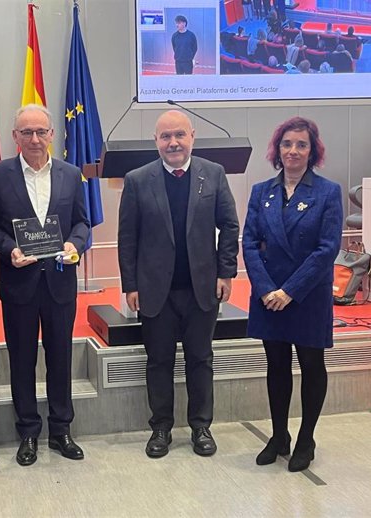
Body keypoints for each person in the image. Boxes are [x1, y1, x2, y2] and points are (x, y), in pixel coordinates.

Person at [118, 110, 239, 459]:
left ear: (192, 136)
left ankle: (201, 427)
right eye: (165, 136)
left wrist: (225, 273)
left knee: (201, 359)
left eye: (179, 135)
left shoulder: (212, 175)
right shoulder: (138, 179)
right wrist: (130, 284)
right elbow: (127, 237)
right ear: (156, 141)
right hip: (155, 291)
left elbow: (229, 226)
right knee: (158, 362)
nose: (173, 142)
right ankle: (160, 428)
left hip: (202, 289)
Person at [0, 104, 90, 466]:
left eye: (40, 132)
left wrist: (76, 244)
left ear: (51, 135)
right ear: (15, 136)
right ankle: (28, 431)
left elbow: (82, 223)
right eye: (26, 132)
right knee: (22, 359)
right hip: (20, 284)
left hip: (60, 282)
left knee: (60, 358)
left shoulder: (70, 174)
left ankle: (61, 430)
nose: (34, 139)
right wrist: (10, 249)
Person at [242, 117, 343, 472]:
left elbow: (327, 249)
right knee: (276, 366)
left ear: (312, 150)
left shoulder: (328, 192)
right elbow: (249, 244)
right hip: (269, 296)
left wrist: (290, 291)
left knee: (312, 365)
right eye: (287, 144)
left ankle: (306, 438)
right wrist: (268, 289)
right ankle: (279, 435)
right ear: (277, 149)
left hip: (307, 296)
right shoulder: (261, 191)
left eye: (301, 144)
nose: (293, 151)